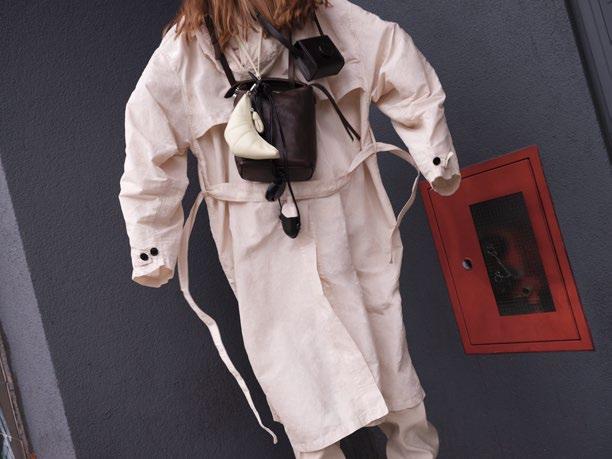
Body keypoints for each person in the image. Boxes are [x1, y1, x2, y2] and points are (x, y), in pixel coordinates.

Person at [118, 0, 461, 457]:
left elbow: (398, 63)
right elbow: (148, 148)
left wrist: (436, 157)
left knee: (386, 352)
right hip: (259, 235)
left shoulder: (330, 17)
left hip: (347, 213)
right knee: (297, 378)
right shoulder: (184, 53)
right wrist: (151, 247)